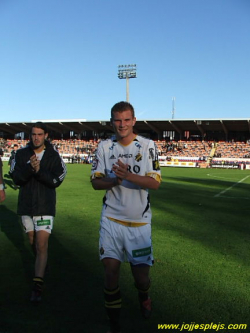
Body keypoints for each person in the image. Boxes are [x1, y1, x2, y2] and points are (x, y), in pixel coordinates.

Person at [91, 101, 161, 333]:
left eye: (126, 120)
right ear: (112, 122)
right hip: (111, 220)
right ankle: (114, 324)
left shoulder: (148, 146)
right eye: (117, 120)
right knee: (110, 272)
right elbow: (95, 182)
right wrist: (114, 181)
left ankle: (144, 296)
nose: (122, 124)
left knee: (141, 278)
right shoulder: (103, 147)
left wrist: (128, 176)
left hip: (139, 224)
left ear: (133, 121)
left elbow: (155, 183)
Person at [10, 122, 67, 302]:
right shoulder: (20, 154)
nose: (36, 137)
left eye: (40, 134)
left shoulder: (53, 155)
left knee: (42, 245)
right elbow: (16, 178)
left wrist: (39, 170)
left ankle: (37, 286)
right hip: (26, 206)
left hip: (45, 206)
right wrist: (29, 168)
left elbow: (57, 180)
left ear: (46, 136)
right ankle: (42, 265)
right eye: (33, 134)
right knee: (33, 242)